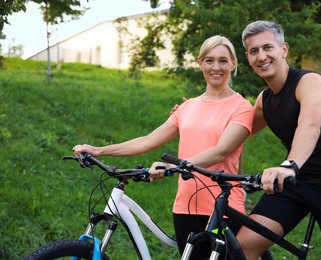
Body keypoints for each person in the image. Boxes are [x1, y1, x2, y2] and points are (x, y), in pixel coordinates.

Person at [73, 35, 254, 258]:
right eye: (209, 60)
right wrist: (99, 150)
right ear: (200, 63)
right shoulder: (187, 107)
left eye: (223, 61)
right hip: (185, 206)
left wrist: (173, 167)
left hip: (223, 209)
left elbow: (221, 151)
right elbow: (148, 141)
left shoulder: (242, 107)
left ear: (233, 64)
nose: (216, 67)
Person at [235, 20, 321, 260]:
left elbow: (310, 126)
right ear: (248, 57)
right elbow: (235, 133)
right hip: (295, 183)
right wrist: (193, 114)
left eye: (268, 47)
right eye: (254, 51)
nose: (261, 56)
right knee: (241, 250)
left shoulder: (309, 82)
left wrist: (290, 165)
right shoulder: (264, 100)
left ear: (283, 49)